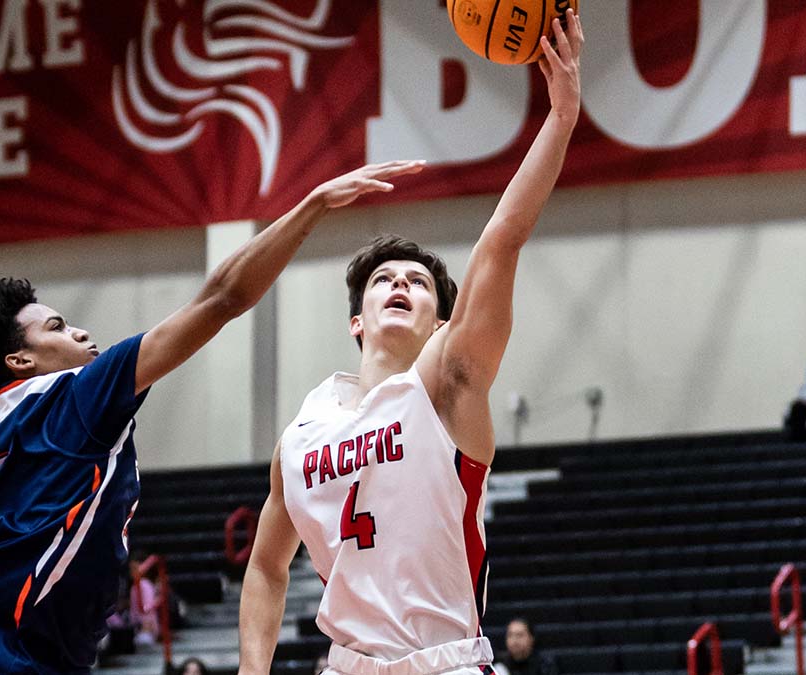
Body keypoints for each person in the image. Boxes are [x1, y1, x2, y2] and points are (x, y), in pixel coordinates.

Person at [0, 159, 425, 675]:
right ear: (20, 358)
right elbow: (222, 299)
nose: (80, 330)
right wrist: (314, 203)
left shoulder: (0, 437)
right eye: (55, 326)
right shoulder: (78, 396)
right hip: (4, 660)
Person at [238, 12, 584, 675]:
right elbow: (263, 565)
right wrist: (253, 669)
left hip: (445, 662)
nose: (400, 282)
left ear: (441, 320)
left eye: (419, 282)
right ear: (356, 320)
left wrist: (560, 118)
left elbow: (501, 239)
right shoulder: (302, 436)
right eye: (384, 279)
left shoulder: (449, 382)